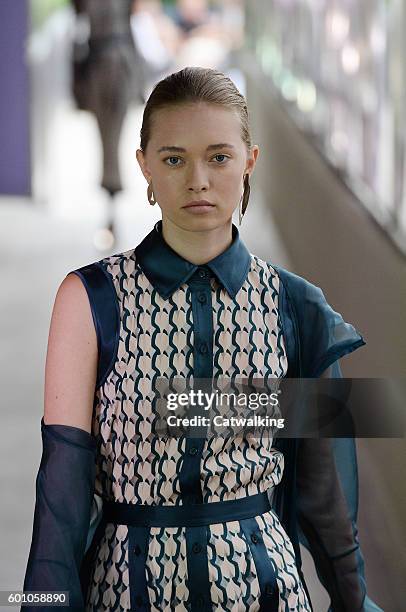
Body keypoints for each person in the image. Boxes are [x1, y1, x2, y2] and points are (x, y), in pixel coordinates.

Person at [21, 67, 383, 611]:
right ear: (143, 165)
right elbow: (61, 499)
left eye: (219, 157)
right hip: (129, 593)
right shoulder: (89, 300)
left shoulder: (295, 306)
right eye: (173, 158)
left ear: (249, 162)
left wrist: (354, 602)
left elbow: (326, 499)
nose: (198, 180)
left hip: (265, 593)